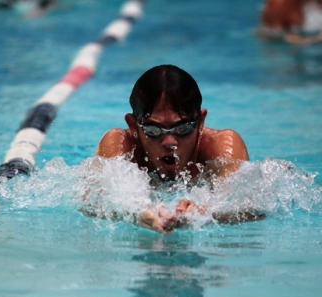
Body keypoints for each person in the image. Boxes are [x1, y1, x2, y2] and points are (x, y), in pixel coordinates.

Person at [93, 64, 263, 233]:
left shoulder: (221, 145)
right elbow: (92, 202)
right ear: (133, 126)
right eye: (154, 130)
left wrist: (202, 212)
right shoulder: (120, 143)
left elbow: (250, 205)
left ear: (201, 122)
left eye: (183, 128)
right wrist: (134, 212)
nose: (170, 142)